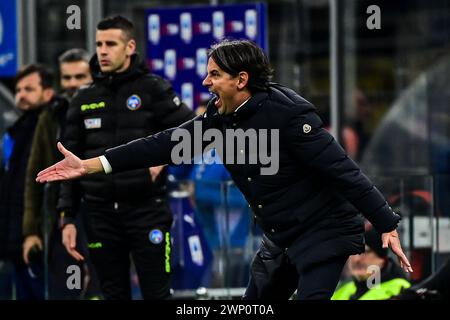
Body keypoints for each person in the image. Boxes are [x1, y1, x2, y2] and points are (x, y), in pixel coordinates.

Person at [36, 39, 413, 300]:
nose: (206, 82)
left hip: (323, 231)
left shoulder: (289, 115)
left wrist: (386, 223)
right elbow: (164, 143)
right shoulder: (219, 117)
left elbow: (343, 171)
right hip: (280, 235)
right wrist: (92, 165)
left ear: (241, 80)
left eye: (214, 74)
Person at [47, 16, 195, 300]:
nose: (102, 51)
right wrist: (66, 219)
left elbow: (192, 132)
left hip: (146, 209)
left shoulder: (153, 88)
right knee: (112, 294)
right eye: (99, 44)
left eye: (110, 44)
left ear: (129, 47)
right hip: (99, 213)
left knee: (157, 294)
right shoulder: (82, 97)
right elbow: (70, 163)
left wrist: (160, 162)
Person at [22, 48, 98, 299]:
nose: (73, 83)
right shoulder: (50, 116)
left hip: (103, 212)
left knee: (102, 289)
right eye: (67, 78)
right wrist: (30, 231)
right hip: (61, 216)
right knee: (63, 291)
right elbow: (35, 177)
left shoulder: (108, 107)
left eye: (80, 76)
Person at [0, 64, 55, 299]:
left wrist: (34, 233)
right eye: (19, 90)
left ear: (48, 93)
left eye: (29, 89)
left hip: (41, 238)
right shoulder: (16, 130)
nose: (21, 95)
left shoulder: (53, 128)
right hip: (16, 237)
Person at [331, 225, 411, 300]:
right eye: (353, 252)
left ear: (382, 258)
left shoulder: (401, 291)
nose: (356, 260)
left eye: (365, 251)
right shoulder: (342, 291)